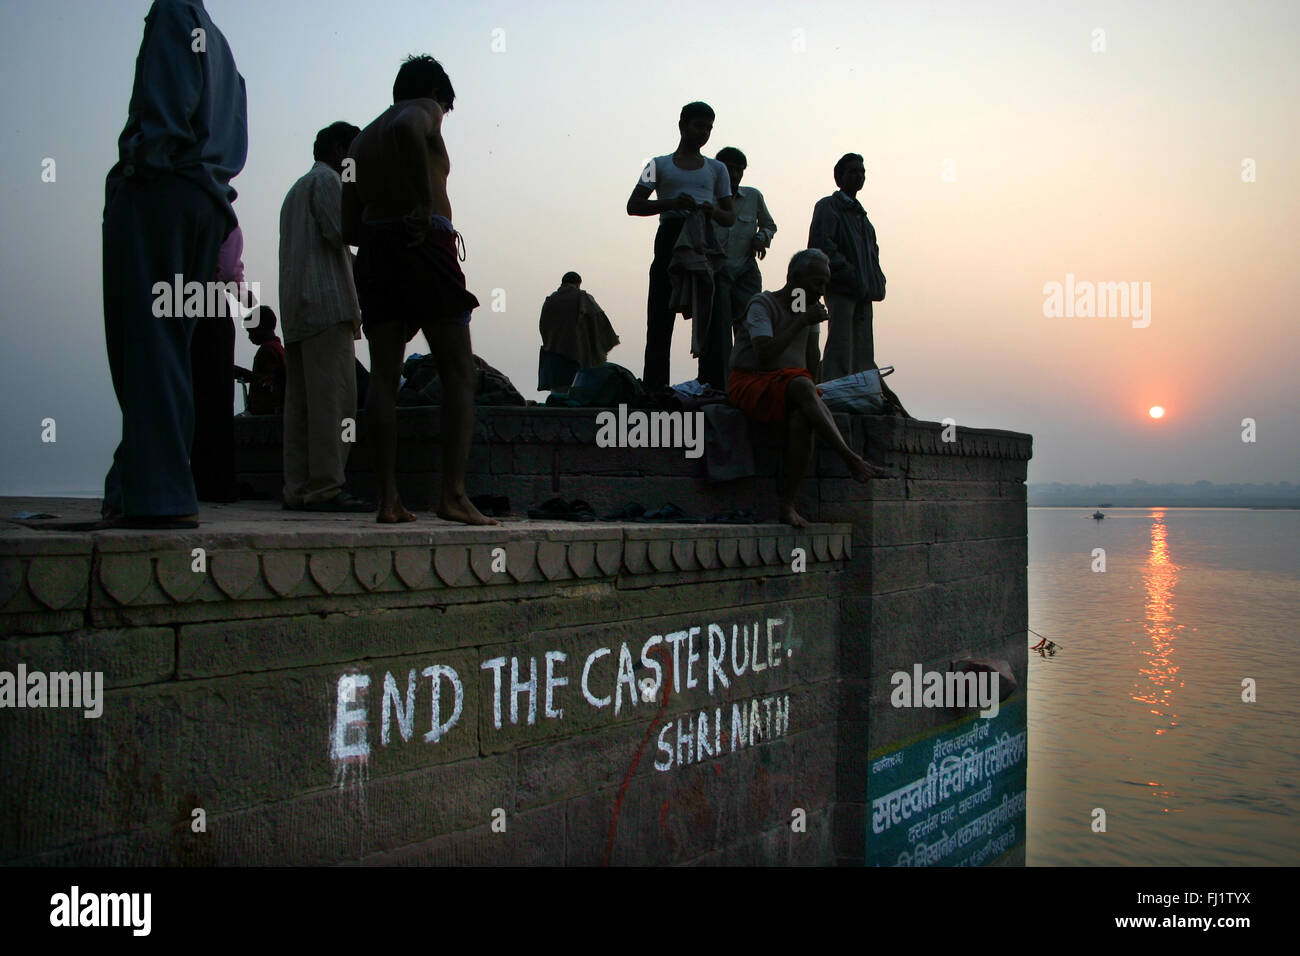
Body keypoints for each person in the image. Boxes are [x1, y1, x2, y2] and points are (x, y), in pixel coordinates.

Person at [100, 0, 247, 529]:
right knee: (168, 350)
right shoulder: (221, 46)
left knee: (147, 345)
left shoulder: (173, 12)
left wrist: (140, 167)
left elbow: (164, 116)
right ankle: (138, 485)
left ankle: (158, 496)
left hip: (163, 191)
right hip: (205, 200)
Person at [343, 55, 496, 525]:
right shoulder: (420, 109)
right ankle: (453, 496)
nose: (442, 116)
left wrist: (386, 226)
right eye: (445, 108)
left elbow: (348, 224)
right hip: (423, 242)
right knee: (459, 372)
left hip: (376, 248)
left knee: (384, 377)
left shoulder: (358, 142)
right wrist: (423, 203)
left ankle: (389, 500)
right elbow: (408, 127)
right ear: (435, 93)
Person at [728, 249, 892, 527]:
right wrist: (801, 321)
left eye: (825, 284)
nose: (821, 291)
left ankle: (788, 504)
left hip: (790, 387)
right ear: (795, 278)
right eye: (817, 283)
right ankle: (851, 458)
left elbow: (811, 364)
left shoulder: (808, 311)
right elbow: (764, 356)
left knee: (803, 417)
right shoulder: (762, 305)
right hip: (751, 382)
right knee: (803, 385)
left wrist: (808, 324)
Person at [278, 121, 370, 512]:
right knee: (334, 403)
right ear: (338, 150)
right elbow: (342, 232)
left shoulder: (296, 190)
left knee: (301, 406)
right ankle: (327, 488)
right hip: (327, 305)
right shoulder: (330, 182)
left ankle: (298, 488)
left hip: (298, 308)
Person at [626, 102, 735, 390]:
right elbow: (634, 205)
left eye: (709, 128)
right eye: (699, 126)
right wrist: (671, 203)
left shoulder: (717, 169)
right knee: (660, 316)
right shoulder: (656, 165)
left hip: (703, 241)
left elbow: (729, 216)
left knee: (709, 316)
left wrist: (710, 210)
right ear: (682, 125)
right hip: (670, 239)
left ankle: (710, 387)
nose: (704, 133)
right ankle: (655, 389)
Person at [808, 153, 886, 381]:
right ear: (839, 177)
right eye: (853, 172)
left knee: (863, 349)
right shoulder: (828, 206)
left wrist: (876, 281)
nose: (859, 176)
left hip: (863, 291)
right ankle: (835, 389)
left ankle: (859, 390)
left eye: (862, 172)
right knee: (840, 346)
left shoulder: (863, 219)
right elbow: (822, 247)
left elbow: (873, 256)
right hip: (841, 287)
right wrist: (850, 275)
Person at [190, 221, 253, 502]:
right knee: (216, 396)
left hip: (176, 302)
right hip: (210, 302)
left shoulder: (176, 212)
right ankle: (216, 481)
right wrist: (243, 294)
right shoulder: (224, 221)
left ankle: (190, 478)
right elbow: (229, 272)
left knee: (190, 393)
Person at [708, 147, 776, 389]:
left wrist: (761, 238)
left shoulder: (752, 196)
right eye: (730, 169)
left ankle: (748, 382)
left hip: (746, 270)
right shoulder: (707, 199)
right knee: (719, 330)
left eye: (739, 170)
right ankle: (723, 384)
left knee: (750, 326)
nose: (735, 175)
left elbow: (769, 225)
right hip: (718, 271)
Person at [537, 271, 620, 396]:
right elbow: (600, 321)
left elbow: (543, 326)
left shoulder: (550, 301)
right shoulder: (583, 297)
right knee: (576, 397)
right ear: (578, 284)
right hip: (578, 356)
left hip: (554, 358)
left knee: (557, 397)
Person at [235, 306, 286, 416]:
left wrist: (244, 374)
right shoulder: (278, 348)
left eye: (251, 331)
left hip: (267, 413)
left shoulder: (267, 350)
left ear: (260, 327)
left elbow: (269, 382)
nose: (249, 337)